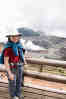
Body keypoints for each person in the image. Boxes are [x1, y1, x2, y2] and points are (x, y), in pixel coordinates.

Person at [3, 28, 26, 99]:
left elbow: (21, 54)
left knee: (19, 82)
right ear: (9, 37)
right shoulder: (8, 48)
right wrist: (9, 73)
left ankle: (18, 94)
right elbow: (6, 61)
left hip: (20, 66)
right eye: (13, 36)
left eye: (17, 36)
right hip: (12, 67)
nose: (15, 38)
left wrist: (24, 61)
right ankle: (13, 96)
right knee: (12, 83)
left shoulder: (19, 45)